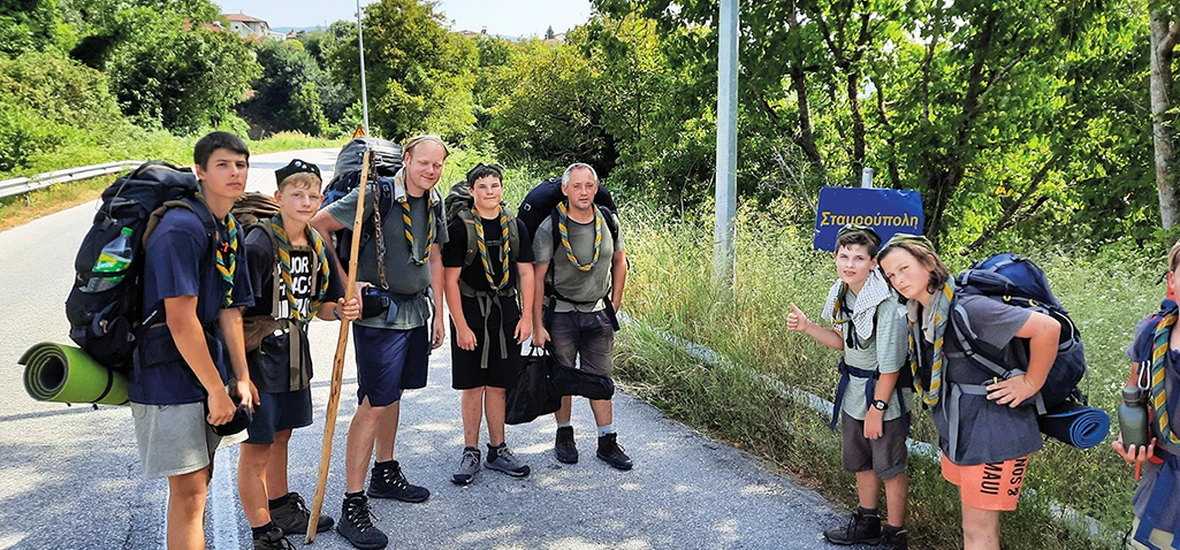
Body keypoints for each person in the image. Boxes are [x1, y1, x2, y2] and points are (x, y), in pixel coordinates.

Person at [310, 135, 450, 550]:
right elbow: (319, 225)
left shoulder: (435, 199)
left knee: (393, 396)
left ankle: (384, 473)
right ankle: (353, 504)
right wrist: (346, 284)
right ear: (406, 160)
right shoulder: (376, 194)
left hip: (415, 311)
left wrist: (439, 311)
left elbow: (436, 256)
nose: (430, 171)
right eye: (424, 163)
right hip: (380, 314)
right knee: (374, 402)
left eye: (437, 165)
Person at [877, 233, 1060, 550]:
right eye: (891, 275)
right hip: (963, 429)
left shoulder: (969, 308)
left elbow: (1047, 328)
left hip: (994, 431)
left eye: (904, 268)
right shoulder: (922, 312)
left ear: (929, 263)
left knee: (979, 531)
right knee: (973, 527)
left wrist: (1030, 383)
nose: (898, 280)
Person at [128, 131, 257, 550]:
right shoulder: (181, 228)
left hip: (206, 368)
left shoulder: (228, 226)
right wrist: (216, 391)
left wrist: (241, 376)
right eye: (223, 164)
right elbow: (181, 321)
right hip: (168, 372)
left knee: (200, 482)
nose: (234, 173)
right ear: (200, 171)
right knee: (189, 494)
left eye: (240, 164)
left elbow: (229, 309)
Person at [237, 160, 361, 549]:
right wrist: (239, 374)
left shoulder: (317, 245)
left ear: (321, 199)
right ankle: (263, 532)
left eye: (312, 195)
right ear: (279, 198)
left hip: (293, 351)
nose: (305, 201)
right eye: (296, 194)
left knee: (282, 433)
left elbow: (319, 306)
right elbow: (232, 313)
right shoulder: (259, 244)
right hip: (258, 355)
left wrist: (340, 310)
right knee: (258, 444)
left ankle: (280, 505)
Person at [786, 225, 909, 550]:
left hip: (884, 396)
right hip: (854, 392)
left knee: (890, 466)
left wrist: (877, 409)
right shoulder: (842, 293)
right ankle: (867, 522)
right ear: (835, 258)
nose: (850, 264)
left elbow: (891, 366)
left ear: (874, 263)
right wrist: (809, 327)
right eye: (844, 256)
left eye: (859, 258)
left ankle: (895, 534)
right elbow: (843, 342)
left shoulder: (885, 303)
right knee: (861, 461)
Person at [531, 162, 631, 470]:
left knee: (599, 378)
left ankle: (607, 441)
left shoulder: (608, 221)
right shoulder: (550, 227)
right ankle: (564, 436)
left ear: (596, 187)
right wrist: (536, 323)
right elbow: (536, 277)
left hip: (598, 313)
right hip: (560, 313)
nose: (584, 192)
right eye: (577, 186)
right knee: (562, 376)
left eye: (589, 186)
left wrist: (614, 303)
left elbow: (620, 262)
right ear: (565, 189)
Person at [442, 163, 535, 485]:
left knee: (498, 385)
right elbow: (449, 281)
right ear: (471, 191)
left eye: (495, 185)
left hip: (506, 311)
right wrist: (461, 325)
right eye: (483, 186)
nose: (490, 191)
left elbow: (526, 273)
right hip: (471, 310)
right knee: (472, 386)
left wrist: (527, 317)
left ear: (502, 189)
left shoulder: (515, 226)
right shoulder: (459, 228)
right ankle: (471, 451)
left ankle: (498, 448)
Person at [1114, 239, 1180, 550]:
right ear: (1172, 279)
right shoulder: (1152, 333)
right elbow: (1134, 398)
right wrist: (1132, 441)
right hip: (1158, 499)